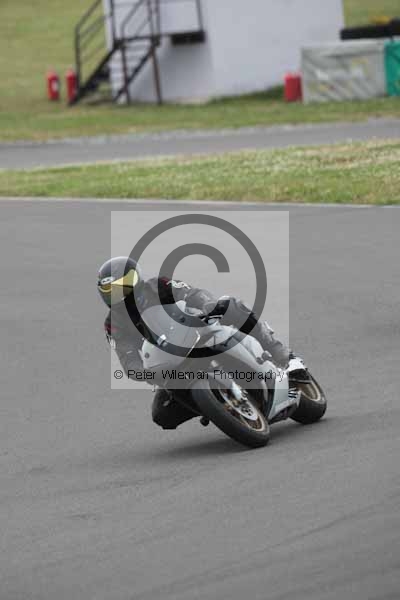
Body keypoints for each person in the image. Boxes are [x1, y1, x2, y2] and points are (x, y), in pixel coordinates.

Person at [97, 256, 307, 430]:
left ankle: (286, 358)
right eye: (111, 291)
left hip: (196, 333)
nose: (118, 294)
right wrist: (142, 372)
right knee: (162, 415)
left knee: (231, 305)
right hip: (169, 364)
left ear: (136, 279)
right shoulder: (113, 324)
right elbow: (126, 357)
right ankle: (216, 405)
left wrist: (208, 305)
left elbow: (192, 293)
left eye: (122, 286)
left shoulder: (159, 285)